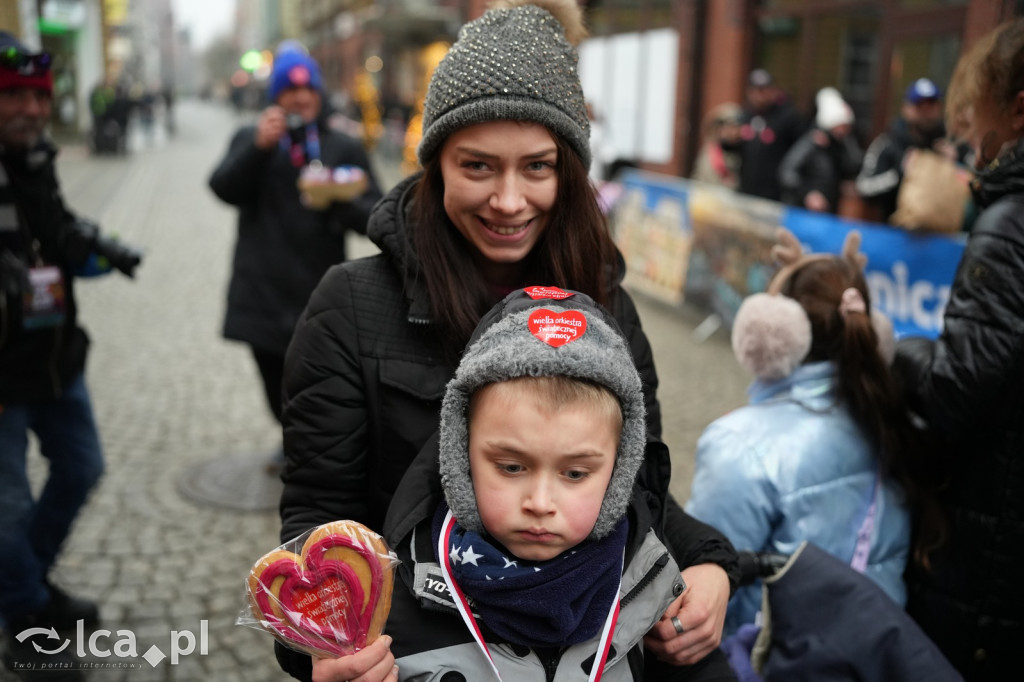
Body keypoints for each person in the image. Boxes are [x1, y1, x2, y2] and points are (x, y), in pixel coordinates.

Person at [277, 0, 739, 679]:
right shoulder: (350, 307)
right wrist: (318, 643)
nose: (509, 200)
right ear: (435, 167)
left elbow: (634, 486)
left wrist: (709, 565)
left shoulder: (608, 309)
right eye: (477, 166)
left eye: (538, 167)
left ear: (571, 173)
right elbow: (318, 517)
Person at [313, 288, 738, 681]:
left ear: (618, 475)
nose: (539, 502)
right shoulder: (389, 603)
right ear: (461, 459)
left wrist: (715, 568)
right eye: (512, 467)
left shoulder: (652, 588)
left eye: (574, 474)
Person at [685, 228, 941, 638]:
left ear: (772, 334)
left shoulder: (741, 445)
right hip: (874, 654)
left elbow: (702, 590)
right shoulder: (892, 420)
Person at [0, 32, 139, 680]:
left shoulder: (36, 158)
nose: (30, 109)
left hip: (54, 354)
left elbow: (51, 229)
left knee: (81, 468)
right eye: (13, 97)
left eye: (37, 95)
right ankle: (27, 617)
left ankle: (20, 585)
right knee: (7, 505)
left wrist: (94, 246)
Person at [892, 18, 1024, 680]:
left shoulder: (1010, 222)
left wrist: (898, 350)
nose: (971, 139)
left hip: (989, 542)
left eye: (977, 117)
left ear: (1018, 108)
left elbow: (957, 387)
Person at [208, 42, 382, 464]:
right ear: (276, 98)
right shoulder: (251, 137)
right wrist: (259, 149)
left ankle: (311, 453)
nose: (299, 99)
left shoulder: (342, 145)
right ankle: (291, 437)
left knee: (320, 381)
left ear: (318, 96)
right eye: (289, 91)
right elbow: (223, 187)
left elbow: (376, 217)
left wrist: (339, 201)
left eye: (307, 92)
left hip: (320, 291)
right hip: (262, 288)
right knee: (275, 381)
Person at [855, 77, 953, 222]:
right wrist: (899, 173)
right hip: (894, 235)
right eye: (919, 105)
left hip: (940, 237)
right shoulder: (887, 143)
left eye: (931, 104)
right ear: (906, 108)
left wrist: (955, 166)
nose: (926, 111)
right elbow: (864, 187)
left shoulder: (949, 144)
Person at [778, 87, 864, 213]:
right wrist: (807, 193)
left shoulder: (843, 145)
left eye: (847, 126)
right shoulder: (811, 142)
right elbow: (786, 172)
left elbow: (853, 164)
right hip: (803, 210)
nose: (844, 131)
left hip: (829, 210)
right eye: (841, 126)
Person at [731, 69, 805, 201]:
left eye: (764, 89)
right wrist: (728, 141)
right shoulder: (744, 115)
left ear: (774, 90)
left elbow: (800, 151)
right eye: (756, 90)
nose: (760, 95)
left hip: (776, 194)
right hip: (747, 191)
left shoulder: (788, 117)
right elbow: (736, 151)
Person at [691, 102, 743, 190]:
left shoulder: (742, 152)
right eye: (728, 127)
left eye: (736, 127)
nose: (733, 132)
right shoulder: (710, 150)